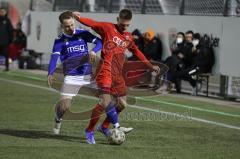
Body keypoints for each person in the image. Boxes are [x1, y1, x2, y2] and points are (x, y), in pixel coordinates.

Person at [72, 9, 160, 144]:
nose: (124, 27)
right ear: (117, 19)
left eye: (127, 25)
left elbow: (137, 51)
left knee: (122, 104)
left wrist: (150, 66)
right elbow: (92, 23)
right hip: (105, 71)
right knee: (104, 103)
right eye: (122, 24)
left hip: (117, 75)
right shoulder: (108, 28)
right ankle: (89, 130)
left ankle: (104, 126)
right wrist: (78, 18)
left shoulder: (128, 37)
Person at [47, 11, 102, 135]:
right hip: (71, 77)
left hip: (87, 75)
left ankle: (111, 126)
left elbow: (100, 42)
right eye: (67, 26)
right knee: (64, 106)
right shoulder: (59, 41)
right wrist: (50, 73)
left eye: (72, 24)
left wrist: (94, 51)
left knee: (107, 98)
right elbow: (54, 58)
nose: (71, 28)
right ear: (62, 27)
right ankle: (58, 117)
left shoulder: (83, 34)